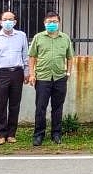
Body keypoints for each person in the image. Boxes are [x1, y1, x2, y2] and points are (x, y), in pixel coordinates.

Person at [28, 11, 74, 146]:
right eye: (49, 22)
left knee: (57, 107)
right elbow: (32, 57)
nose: (52, 24)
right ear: (44, 23)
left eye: (54, 22)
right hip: (42, 78)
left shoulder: (65, 38)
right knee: (40, 107)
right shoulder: (38, 37)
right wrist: (32, 74)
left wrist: (68, 73)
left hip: (60, 77)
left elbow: (70, 57)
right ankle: (38, 135)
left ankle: (56, 134)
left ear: (59, 23)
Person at [0, 11, 29, 145]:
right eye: (5, 19)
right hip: (1, 73)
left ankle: (11, 134)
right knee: (1, 104)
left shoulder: (21, 36)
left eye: (11, 19)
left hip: (17, 72)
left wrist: (26, 72)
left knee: (15, 104)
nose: (8, 22)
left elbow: (25, 56)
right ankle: (0, 134)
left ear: (15, 22)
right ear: (0, 22)